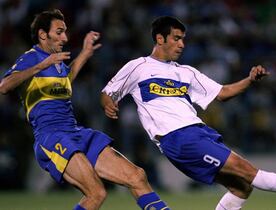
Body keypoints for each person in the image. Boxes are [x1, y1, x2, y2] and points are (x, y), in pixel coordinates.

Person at [101, 16, 276, 210]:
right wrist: (107, 103)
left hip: (199, 132)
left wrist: (250, 80)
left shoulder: (187, 73)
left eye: (183, 39)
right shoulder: (138, 67)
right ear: (159, 39)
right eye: (176, 38)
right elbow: (108, 91)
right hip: (177, 138)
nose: (182, 45)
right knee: (245, 169)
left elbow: (222, 93)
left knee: (241, 187)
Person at [0, 9, 170, 210]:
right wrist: (40, 65)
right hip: (51, 136)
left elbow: (66, 80)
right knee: (96, 193)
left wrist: (85, 54)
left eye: (65, 32)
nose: (64, 37)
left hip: (75, 131)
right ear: (42, 35)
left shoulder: (57, 62)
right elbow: (4, 85)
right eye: (59, 32)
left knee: (137, 176)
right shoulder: (32, 58)